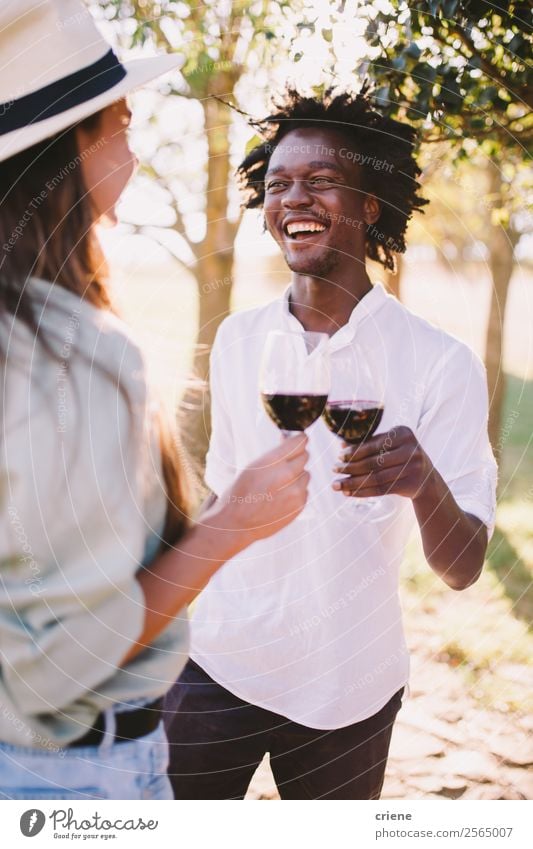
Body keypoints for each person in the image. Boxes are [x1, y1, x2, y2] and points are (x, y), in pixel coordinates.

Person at [0, 1, 309, 800]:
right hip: (69, 777)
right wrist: (230, 523)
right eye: (124, 125)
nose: (135, 152)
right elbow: (53, 665)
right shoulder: (72, 356)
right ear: (71, 144)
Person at [165, 87, 498, 800]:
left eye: (320, 181)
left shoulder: (439, 361)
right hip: (220, 661)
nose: (294, 198)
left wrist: (423, 481)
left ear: (369, 205)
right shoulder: (237, 341)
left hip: (350, 684)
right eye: (279, 183)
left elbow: (464, 565)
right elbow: (224, 497)